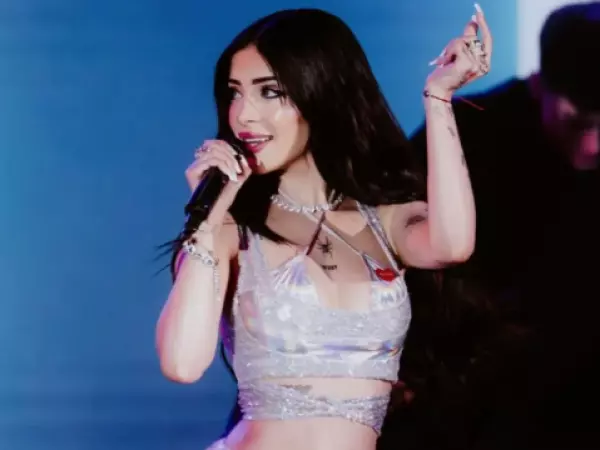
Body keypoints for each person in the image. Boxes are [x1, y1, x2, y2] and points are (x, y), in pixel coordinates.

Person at [156, 6, 492, 450]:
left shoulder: (384, 221)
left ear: (321, 92)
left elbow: (453, 244)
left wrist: (439, 97)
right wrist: (206, 220)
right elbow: (182, 364)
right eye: (234, 93)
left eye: (270, 92)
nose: (243, 115)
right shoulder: (229, 232)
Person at [383, 3, 600, 449]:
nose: (595, 145)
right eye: (578, 123)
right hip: (462, 385)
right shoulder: (465, 133)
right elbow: (384, 241)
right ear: (538, 85)